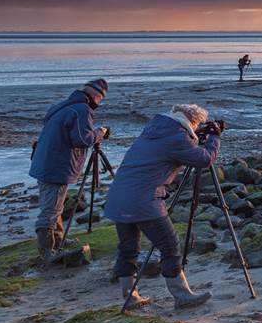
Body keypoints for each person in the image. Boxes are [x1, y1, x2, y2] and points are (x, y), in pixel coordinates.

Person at [104, 103, 222, 309]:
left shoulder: (154, 130)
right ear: (191, 121)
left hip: (118, 197)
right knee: (170, 245)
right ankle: (182, 295)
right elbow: (204, 160)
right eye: (197, 125)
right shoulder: (177, 138)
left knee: (128, 249)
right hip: (142, 200)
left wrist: (195, 137)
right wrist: (214, 138)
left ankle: (129, 298)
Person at [29, 78, 109, 264]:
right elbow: (83, 139)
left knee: (55, 206)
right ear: (97, 97)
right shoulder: (82, 110)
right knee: (50, 209)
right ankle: (47, 252)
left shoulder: (62, 106)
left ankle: (58, 240)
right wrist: (100, 133)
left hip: (44, 162)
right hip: (57, 166)